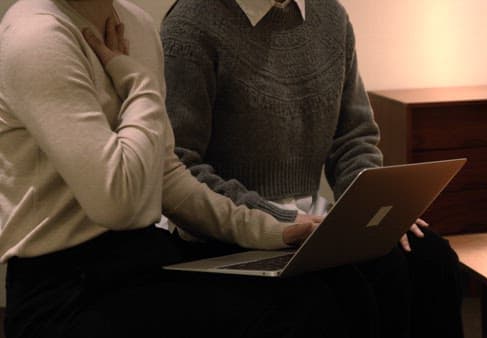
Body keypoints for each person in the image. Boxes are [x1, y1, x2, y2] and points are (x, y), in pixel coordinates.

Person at [0, 1, 375, 337]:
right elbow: (117, 203)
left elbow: (165, 176)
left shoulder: (135, 24)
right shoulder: (36, 37)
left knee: (333, 286)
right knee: (289, 312)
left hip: (138, 255)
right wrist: (139, 82)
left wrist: (274, 231)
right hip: (62, 287)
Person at [161, 0, 465, 337]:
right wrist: (279, 219)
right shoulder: (191, 23)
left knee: (433, 260)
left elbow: (353, 137)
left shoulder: (330, 15)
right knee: (359, 285)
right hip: (228, 229)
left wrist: (374, 210)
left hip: (316, 223)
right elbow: (181, 163)